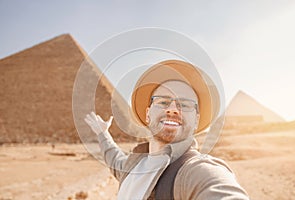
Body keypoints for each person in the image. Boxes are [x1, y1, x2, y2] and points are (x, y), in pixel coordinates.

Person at [85, 60, 249, 199]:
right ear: (148, 114)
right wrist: (102, 132)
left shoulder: (195, 172)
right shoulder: (132, 166)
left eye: (184, 105)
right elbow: (113, 158)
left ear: (196, 120)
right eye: (163, 102)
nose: (173, 109)